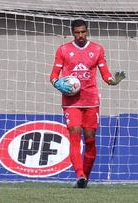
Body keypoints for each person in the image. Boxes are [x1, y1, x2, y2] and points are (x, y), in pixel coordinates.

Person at [50, 19, 125, 188]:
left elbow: (105, 74)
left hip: (91, 101)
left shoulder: (97, 49)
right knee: (74, 133)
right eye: (77, 33)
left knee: (90, 140)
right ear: (72, 33)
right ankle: (79, 175)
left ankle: (85, 177)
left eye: (83, 32)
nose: (80, 35)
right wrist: (58, 84)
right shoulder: (63, 50)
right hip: (71, 102)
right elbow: (53, 75)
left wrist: (113, 81)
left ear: (87, 31)